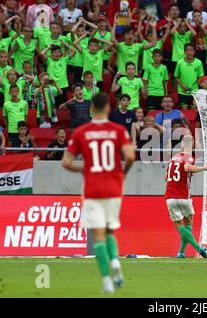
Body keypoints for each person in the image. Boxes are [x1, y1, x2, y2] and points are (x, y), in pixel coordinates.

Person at [62, 92, 136, 294]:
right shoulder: (118, 130)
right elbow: (130, 155)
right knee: (110, 230)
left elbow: (66, 162)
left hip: (93, 188)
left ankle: (106, 281)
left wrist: (85, 168)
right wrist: (122, 173)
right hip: (113, 187)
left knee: (99, 236)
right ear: (108, 108)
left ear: (91, 108)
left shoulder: (81, 132)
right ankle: (116, 263)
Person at [164, 134, 207, 258]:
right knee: (188, 222)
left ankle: (181, 252)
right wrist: (204, 168)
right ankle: (199, 248)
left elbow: (166, 177)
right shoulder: (188, 157)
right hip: (183, 196)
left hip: (169, 197)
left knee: (179, 225)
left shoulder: (173, 158)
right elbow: (187, 167)